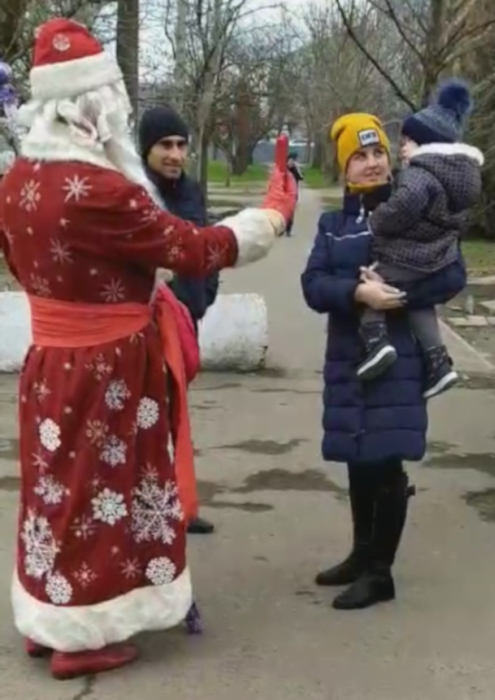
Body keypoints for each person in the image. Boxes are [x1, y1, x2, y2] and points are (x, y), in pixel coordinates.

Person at [0, 18, 295, 680]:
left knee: (54, 488)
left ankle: (48, 616)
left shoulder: (16, 181)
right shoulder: (101, 190)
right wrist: (271, 215)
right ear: (95, 104)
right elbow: (194, 248)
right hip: (104, 369)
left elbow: (19, 265)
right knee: (105, 488)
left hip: (49, 363)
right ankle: (84, 632)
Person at [301, 113, 465, 611]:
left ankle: (380, 573)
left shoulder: (415, 214)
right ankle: (360, 554)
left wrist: (395, 293)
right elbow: (313, 285)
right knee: (357, 457)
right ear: (344, 167)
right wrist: (357, 291)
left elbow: (452, 274)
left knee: (385, 459)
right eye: (360, 156)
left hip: (400, 361)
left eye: (378, 155)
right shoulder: (333, 225)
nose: (371, 164)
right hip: (349, 358)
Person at [356, 80, 483, 398]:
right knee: (420, 304)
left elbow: (403, 207)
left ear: (428, 143)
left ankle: (376, 342)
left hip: (408, 255)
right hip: (437, 256)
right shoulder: (459, 177)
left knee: (374, 279)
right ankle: (439, 363)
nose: (403, 146)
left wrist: (377, 220)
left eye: (409, 140)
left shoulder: (419, 174)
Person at [138, 105, 218, 536]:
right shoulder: (132, 191)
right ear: (146, 149)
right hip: (143, 327)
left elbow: (207, 247)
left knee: (177, 414)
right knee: (143, 419)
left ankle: (179, 502)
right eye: (165, 145)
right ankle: (148, 509)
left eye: (180, 144)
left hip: (186, 318)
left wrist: (203, 297)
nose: (174, 154)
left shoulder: (192, 192)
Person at [285, 151, 303, 236]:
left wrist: (298, 169)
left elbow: (301, 177)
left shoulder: (295, 169)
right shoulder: (283, 169)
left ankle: (288, 229)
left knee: (291, 211)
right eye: (290, 161)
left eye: (293, 161)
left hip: (293, 193)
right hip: (284, 193)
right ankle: (282, 227)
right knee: (283, 211)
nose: (291, 163)